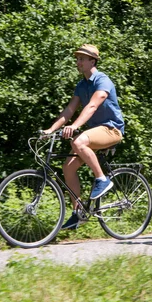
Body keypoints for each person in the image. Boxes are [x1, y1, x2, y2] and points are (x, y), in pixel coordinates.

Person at [43, 44, 125, 230]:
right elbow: (70, 109)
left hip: (111, 130)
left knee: (78, 140)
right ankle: (78, 212)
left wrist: (74, 126)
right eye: (77, 58)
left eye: (82, 58)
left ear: (92, 61)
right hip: (94, 133)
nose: (78, 62)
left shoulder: (102, 81)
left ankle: (102, 179)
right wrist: (50, 129)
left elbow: (92, 106)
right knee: (68, 167)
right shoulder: (82, 85)